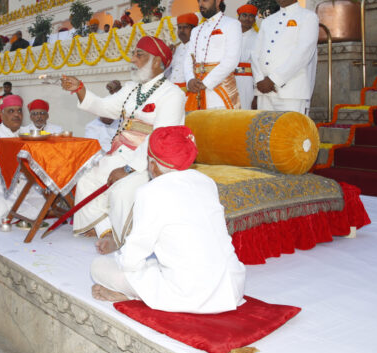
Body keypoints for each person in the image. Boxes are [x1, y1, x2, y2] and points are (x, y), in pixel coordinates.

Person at [90, 126, 246, 313]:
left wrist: (121, 261)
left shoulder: (150, 191)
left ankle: (135, 295)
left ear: (153, 165)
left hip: (192, 295)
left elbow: (132, 259)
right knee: (157, 262)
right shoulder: (206, 182)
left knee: (99, 266)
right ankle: (139, 291)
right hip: (232, 286)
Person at [60, 36, 185, 241]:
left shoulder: (172, 94)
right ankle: (105, 230)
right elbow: (105, 107)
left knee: (121, 191)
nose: (133, 59)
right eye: (134, 53)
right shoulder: (130, 89)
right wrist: (80, 89)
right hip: (120, 155)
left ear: (156, 61)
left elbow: (160, 139)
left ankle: (119, 236)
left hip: (150, 162)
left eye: (139, 54)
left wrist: (128, 169)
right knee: (86, 181)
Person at [0, 95, 47, 224]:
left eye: (19, 111)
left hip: (26, 190)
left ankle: (16, 214)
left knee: (46, 196)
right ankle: (26, 214)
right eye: (11, 111)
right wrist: (13, 166)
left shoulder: (29, 133)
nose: (16, 115)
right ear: (1, 114)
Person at [252, 0, 318, 114]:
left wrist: (273, 80)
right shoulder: (268, 21)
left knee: (293, 134)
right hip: (264, 91)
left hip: (291, 92)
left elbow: (303, 53)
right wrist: (259, 80)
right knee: (265, 134)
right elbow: (255, 53)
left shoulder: (308, 17)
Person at [184, 0, 242, 110]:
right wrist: (190, 80)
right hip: (196, 89)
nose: (200, 4)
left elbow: (231, 60)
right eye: (198, 1)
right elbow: (188, 58)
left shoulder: (232, 24)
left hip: (221, 90)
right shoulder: (196, 30)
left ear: (217, 1)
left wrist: (206, 83)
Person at [83, 82, 122, 152]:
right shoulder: (92, 127)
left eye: (112, 114)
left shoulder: (121, 122)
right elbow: (92, 148)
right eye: (106, 114)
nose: (110, 117)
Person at [236, 4, 259, 110]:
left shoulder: (258, 38)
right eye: (244, 15)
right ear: (239, 18)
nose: (247, 19)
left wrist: (256, 95)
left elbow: (259, 67)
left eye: (251, 16)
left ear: (254, 20)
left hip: (248, 83)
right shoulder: (231, 36)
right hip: (230, 81)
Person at [165, 13, 198, 87]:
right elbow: (166, 73)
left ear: (194, 29)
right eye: (179, 28)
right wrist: (167, 56)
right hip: (172, 89)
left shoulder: (198, 47)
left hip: (189, 90)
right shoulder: (175, 48)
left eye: (185, 27)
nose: (181, 30)